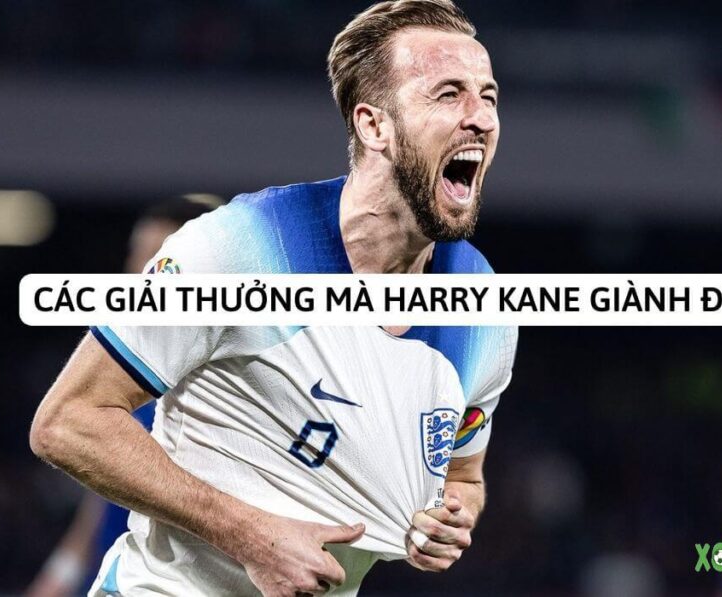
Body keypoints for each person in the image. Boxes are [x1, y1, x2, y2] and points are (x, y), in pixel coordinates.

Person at [29, 1, 518, 595]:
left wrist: (454, 516)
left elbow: (464, 475)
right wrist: (250, 535)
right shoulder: (237, 248)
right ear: (374, 126)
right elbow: (67, 422)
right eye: (448, 95)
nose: (481, 119)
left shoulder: (483, 309)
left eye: (488, 97)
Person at [26, 196, 221, 597]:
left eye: (159, 261)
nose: (141, 274)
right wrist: (56, 579)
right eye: (137, 256)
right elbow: (102, 503)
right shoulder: (123, 380)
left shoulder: (224, 390)